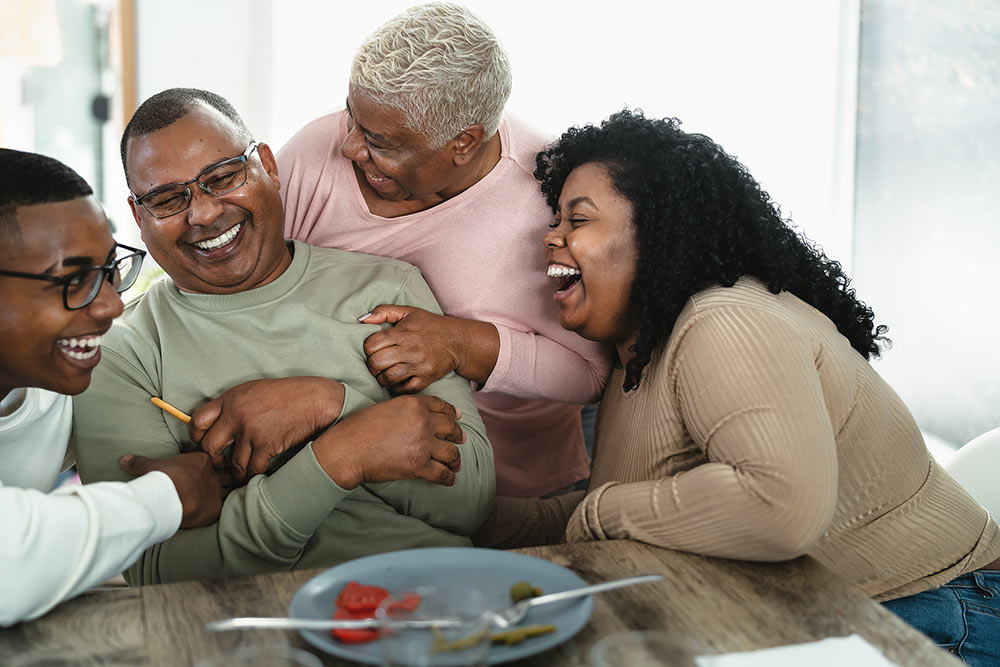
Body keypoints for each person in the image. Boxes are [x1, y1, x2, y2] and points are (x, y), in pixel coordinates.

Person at [475, 110, 1000, 666]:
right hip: (847, 612)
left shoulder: (722, 321)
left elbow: (778, 506)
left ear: (656, 234)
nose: (550, 236)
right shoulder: (640, 353)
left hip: (943, 613)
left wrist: (599, 511)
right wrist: (469, 520)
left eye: (577, 220)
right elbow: (635, 511)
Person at [72, 88, 495, 586]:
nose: (203, 214)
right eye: (167, 199)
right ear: (139, 217)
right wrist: (339, 456)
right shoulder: (122, 354)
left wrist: (330, 404)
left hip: (434, 602)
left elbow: (470, 501)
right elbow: (157, 570)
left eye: (223, 177)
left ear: (268, 167)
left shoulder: (388, 288)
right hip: (244, 629)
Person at [278, 2, 610, 498]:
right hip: (348, 469)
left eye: (379, 140)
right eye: (352, 115)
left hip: (510, 477)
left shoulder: (553, 198)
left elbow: (590, 372)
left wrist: (460, 344)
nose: (348, 146)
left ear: (464, 143)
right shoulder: (315, 151)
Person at [0, 148, 225, 625]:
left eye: (109, 272)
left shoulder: (56, 378)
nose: (109, 307)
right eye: (75, 279)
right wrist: (169, 495)